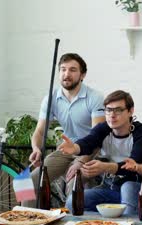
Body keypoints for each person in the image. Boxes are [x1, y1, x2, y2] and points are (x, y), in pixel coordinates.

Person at [24, 53, 105, 208]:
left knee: (73, 181)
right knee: (24, 182)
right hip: (66, 149)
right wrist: (36, 149)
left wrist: (81, 161)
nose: (67, 74)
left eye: (73, 70)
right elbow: (40, 131)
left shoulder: (94, 97)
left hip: (92, 150)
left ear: (83, 75)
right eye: (63, 69)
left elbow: (97, 137)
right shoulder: (51, 97)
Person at [57, 90, 142, 214]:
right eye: (108, 110)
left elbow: (133, 164)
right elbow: (89, 141)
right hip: (110, 189)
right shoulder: (104, 129)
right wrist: (75, 147)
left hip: (136, 188)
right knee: (73, 202)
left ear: (130, 111)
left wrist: (105, 167)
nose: (112, 115)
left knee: (127, 188)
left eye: (118, 110)